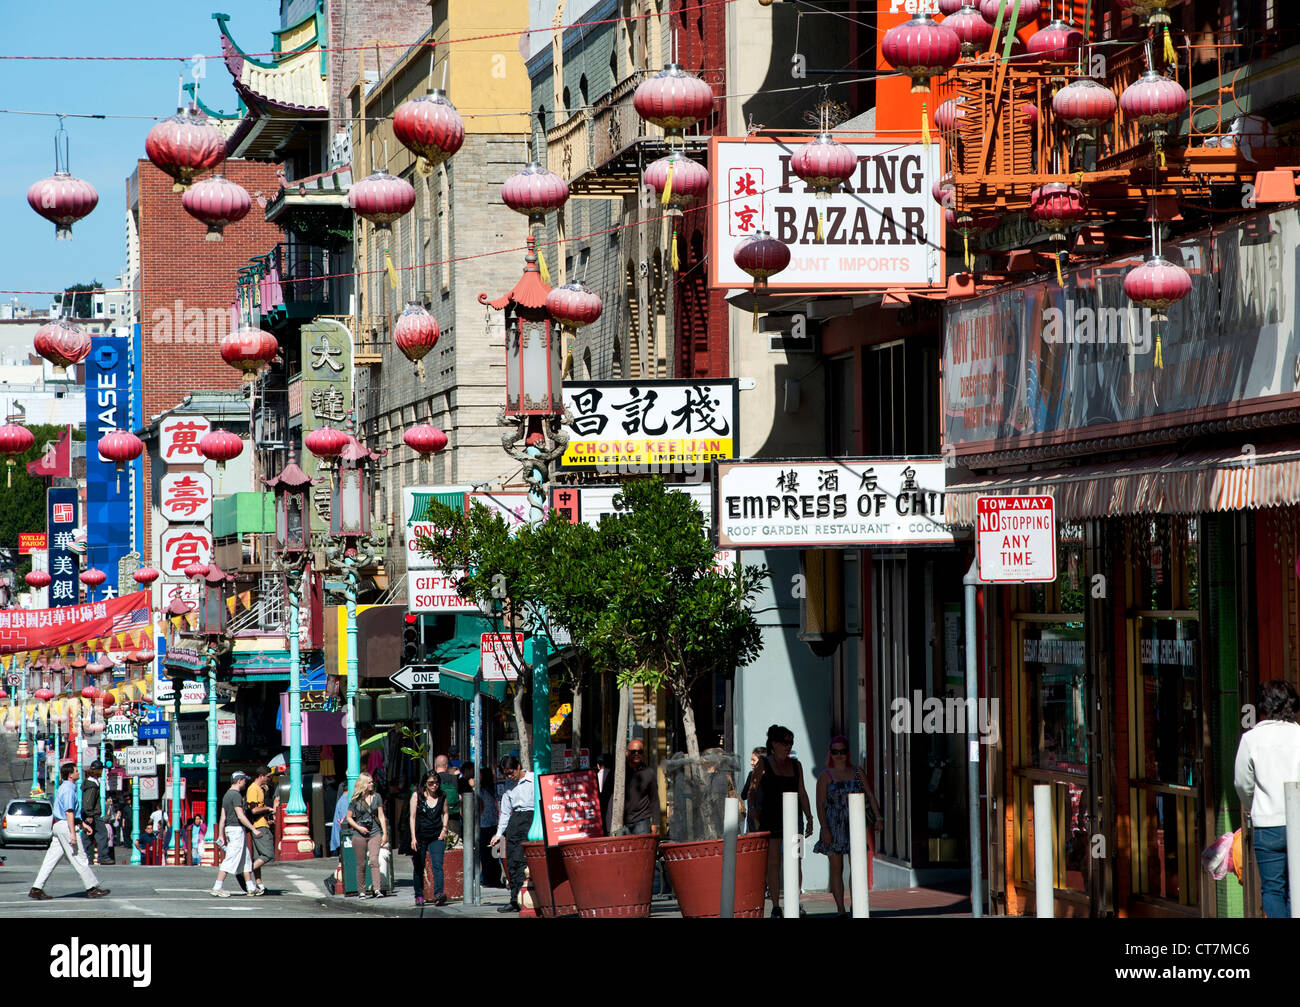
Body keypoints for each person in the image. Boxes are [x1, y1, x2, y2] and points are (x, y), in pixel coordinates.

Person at [1235, 679, 1300, 918]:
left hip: (1267, 825)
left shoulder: (1252, 739)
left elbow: (1242, 782)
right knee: (1297, 888)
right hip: (1298, 821)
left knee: (1273, 890)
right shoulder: (1299, 736)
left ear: (1264, 705)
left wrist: (1254, 805)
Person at [813, 735, 883, 916]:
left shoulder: (857, 772)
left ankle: (856, 903)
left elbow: (869, 795)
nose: (839, 755)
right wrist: (824, 828)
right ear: (830, 753)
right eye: (835, 751)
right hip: (834, 825)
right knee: (837, 868)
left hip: (855, 825)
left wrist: (878, 818)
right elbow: (820, 804)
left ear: (847, 752)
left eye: (842, 751)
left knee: (857, 866)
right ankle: (840, 909)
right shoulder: (825, 776)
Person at [751, 724, 813, 917]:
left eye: (791, 742)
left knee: (796, 860)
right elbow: (752, 789)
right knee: (773, 863)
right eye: (785, 742)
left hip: (795, 820)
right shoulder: (763, 763)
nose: (789, 746)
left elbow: (802, 792)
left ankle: (796, 901)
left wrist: (810, 817)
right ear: (774, 743)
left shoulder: (797, 765)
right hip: (771, 818)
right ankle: (776, 905)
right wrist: (753, 809)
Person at [29, 763, 110, 900]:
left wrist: (83, 824)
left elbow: (71, 813)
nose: (79, 773)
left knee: (51, 859)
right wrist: (73, 833)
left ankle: (36, 888)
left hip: (61, 825)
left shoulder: (66, 788)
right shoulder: (67, 789)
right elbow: (69, 812)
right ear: (70, 775)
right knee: (80, 857)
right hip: (66, 826)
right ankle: (91, 888)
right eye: (76, 771)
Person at [491, 755, 534, 913]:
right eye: (506, 774)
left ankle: (525, 899)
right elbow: (505, 811)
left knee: (524, 861)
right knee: (512, 861)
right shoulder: (509, 785)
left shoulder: (533, 780)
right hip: (515, 820)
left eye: (511, 772)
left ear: (518, 767)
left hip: (531, 818)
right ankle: (514, 899)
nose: (510, 776)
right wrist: (499, 833)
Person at [211, 771, 257, 898]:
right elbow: (240, 815)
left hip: (230, 829)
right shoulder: (236, 795)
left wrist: (221, 834)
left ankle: (251, 887)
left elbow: (223, 816)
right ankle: (217, 887)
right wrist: (253, 829)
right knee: (231, 858)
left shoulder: (226, 795)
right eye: (244, 780)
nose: (245, 782)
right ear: (239, 780)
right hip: (236, 829)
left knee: (245, 858)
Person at [345, 771, 388, 898]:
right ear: (363, 784)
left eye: (372, 781)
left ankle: (377, 889)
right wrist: (359, 827)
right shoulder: (355, 800)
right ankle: (362, 891)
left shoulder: (377, 797)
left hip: (375, 833)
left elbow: (381, 815)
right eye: (369, 782)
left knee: (374, 860)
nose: (372, 783)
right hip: (359, 834)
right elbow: (348, 817)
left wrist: (384, 833)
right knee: (361, 863)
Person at [409, 771, 449, 906]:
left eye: (436, 782)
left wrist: (444, 830)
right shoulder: (417, 796)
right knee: (419, 866)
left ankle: (438, 894)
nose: (434, 785)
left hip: (436, 835)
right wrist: (413, 837)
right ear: (425, 784)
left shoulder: (442, 796)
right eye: (431, 783)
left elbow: (445, 813)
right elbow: (412, 817)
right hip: (420, 836)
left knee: (437, 865)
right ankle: (419, 895)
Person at [246, 765, 277, 894]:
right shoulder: (253, 789)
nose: (269, 779)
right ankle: (245, 873)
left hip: (261, 823)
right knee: (268, 854)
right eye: (268, 776)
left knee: (258, 856)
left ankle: (260, 885)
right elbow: (254, 809)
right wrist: (269, 809)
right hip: (259, 826)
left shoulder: (259, 789)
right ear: (261, 776)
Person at [623, 739, 661, 835]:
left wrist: (655, 823)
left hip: (642, 820)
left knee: (642, 849)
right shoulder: (620, 772)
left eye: (640, 752)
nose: (636, 754)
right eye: (633, 752)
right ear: (627, 752)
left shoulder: (649, 773)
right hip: (621, 821)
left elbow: (654, 800)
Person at [81, 760, 112, 865]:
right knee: (102, 833)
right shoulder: (92, 785)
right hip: (93, 814)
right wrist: (89, 814)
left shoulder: (92, 783)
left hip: (91, 814)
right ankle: (103, 856)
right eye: (101, 770)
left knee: (87, 836)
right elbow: (88, 801)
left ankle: (78, 853)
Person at [478, 764, 501, 888]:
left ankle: (487, 878)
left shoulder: (481, 791)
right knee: (496, 854)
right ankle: (496, 877)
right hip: (496, 825)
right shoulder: (494, 790)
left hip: (484, 825)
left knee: (485, 855)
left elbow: (480, 808)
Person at [435, 755, 463, 841]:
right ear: (446, 765)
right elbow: (459, 797)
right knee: (454, 842)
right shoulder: (454, 779)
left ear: (435, 765)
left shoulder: (432, 779)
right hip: (453, 815)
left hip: (437, 817)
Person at [741, 747, 765, 833]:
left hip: (756, 818)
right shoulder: (752, 775)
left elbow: (743, 795)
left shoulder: (752, 775)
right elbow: (743, 795)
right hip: (757, 818)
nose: (751, 763)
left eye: (753, 760)